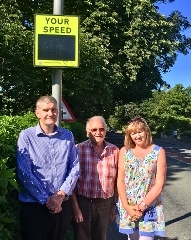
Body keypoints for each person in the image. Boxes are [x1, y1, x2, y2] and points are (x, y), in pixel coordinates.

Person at [16, 95, 80, 240]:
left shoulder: (67, 136)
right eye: (46, 110)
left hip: (61, 206)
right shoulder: (26, 137)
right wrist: (47, 199)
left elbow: (75, 167)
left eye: (53, 110)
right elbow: (24, 173)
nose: (50, 113)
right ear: (37, 112)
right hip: (35, 207)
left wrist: (60, 196)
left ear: (58, 112)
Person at [116, 117, 166, 240]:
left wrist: (142, 206)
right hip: (129, 206)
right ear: (129, 136)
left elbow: (160, 183)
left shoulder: (159, 152)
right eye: (133, 133)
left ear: (146, 131)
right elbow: (120, 180)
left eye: (140, 132)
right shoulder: (124, 151)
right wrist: (127, 207)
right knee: (132, 238)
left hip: (149, 206)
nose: (137, 136)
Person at [71, 116, 119, 240]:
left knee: (100, 237)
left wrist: (114, 206)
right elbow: (71, 182)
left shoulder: (114, 151)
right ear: (88, 132)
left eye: (101, 129)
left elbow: (117, 182)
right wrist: (75, 208)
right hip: (83, 203)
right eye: (94, 130)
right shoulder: (77, 149)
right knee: (81, 238)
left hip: (105, 204)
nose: (98, 132)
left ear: (105, 131)